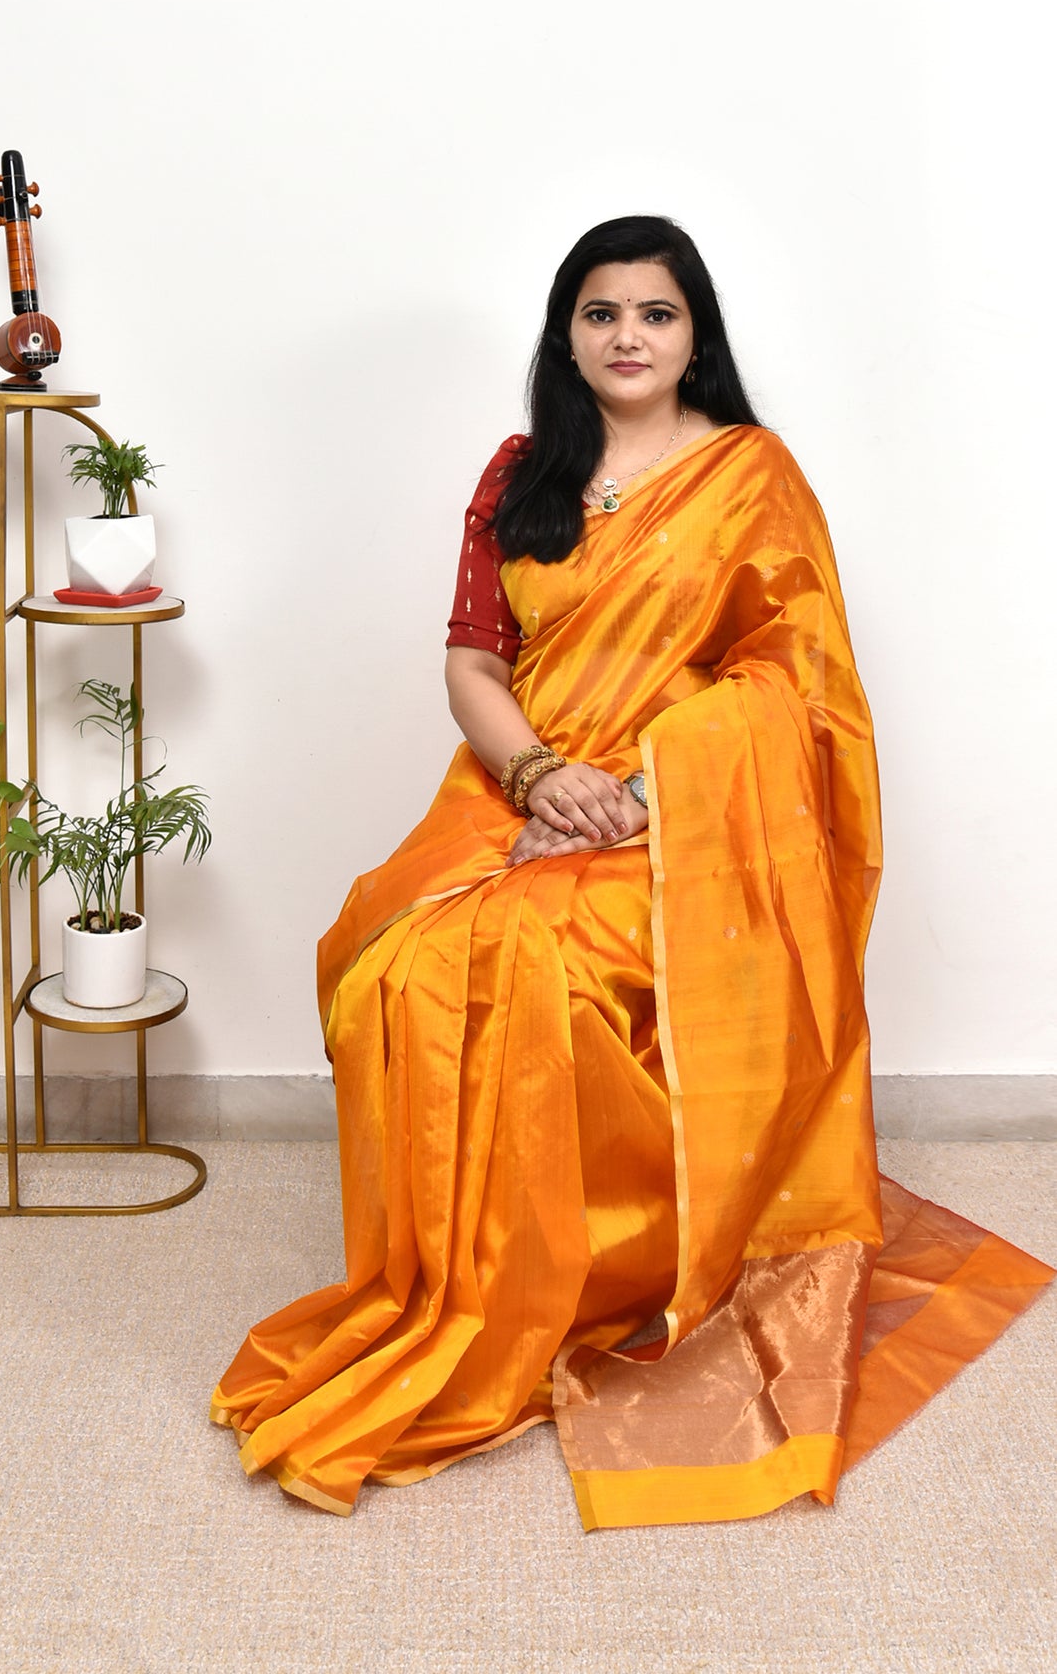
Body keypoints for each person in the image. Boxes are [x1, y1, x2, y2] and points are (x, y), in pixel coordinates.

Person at [212, 217, 1052, 1527]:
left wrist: (638, 799)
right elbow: (473, 665)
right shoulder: (521, 475)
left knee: (532, 961)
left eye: (655, 314)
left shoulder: (749, 474)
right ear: (567, 335)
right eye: (600, 313)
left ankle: (582, 1279)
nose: (627, 337)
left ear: (694, 336)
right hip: (521, 788)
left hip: (684, 823)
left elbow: (794, 686)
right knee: (398, 963)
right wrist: (544, 779)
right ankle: (454, 1289)